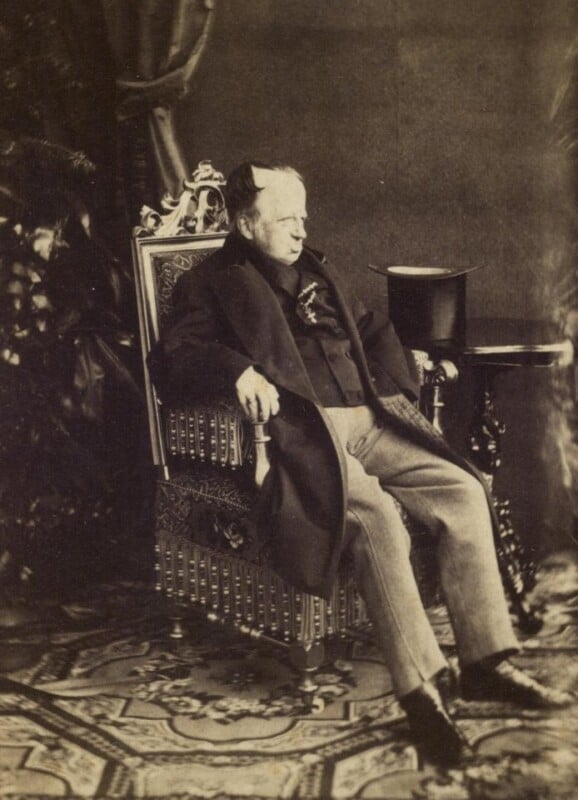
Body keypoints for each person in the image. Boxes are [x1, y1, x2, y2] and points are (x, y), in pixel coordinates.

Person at [150, 160, 574, 765]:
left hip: (370, 420)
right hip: (304, 432)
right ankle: (422, 692)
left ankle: (484, 660)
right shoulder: (211, 282)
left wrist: (405, 368)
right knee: (375, 514)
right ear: (245, 223)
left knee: (461, 486)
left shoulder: (315, 268)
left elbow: (371, 328)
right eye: (285, 219)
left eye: (303, 216)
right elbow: (178, 356)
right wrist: (236, 368)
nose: (300, 230)